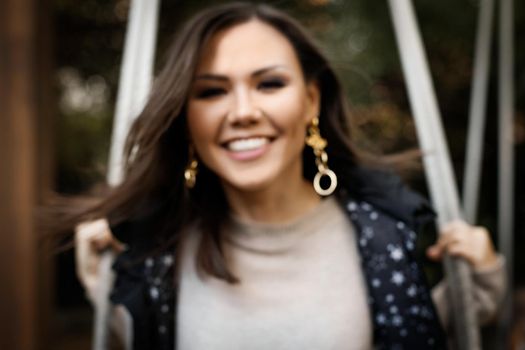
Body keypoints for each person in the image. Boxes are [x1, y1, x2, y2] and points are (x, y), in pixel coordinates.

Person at [73, 2, 506, 349]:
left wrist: (478, 287)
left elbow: (412, 330)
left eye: (269, 84)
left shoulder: (380, 235)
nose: (243, 113)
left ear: (311, 100)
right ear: (187, 117)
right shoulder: (156, 248)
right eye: (211, 91)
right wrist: (102, 282)